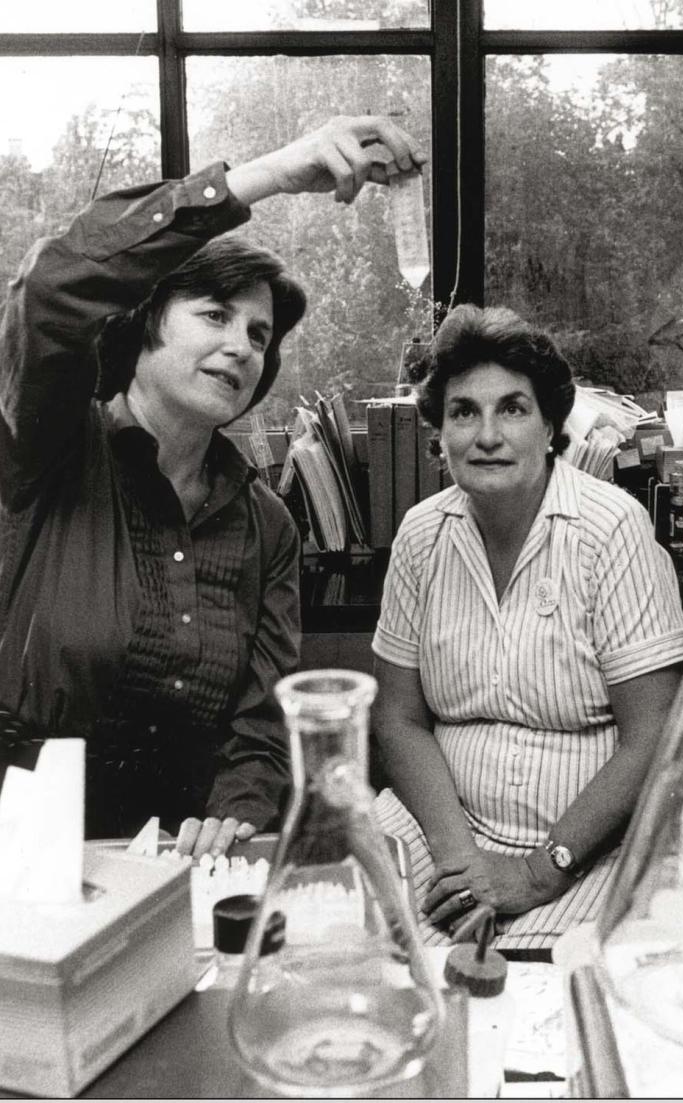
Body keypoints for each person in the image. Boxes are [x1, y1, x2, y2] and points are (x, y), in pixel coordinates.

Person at [0, 116, 427, 855]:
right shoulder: (49, 450)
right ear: (143, 326)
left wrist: (235, 809)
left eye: (260, 336)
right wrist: (268, 175)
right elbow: (53, 287)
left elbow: (260, 727)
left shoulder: (267, 525)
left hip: (185, 869)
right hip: (24, 858)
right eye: (215, 315)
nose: (242, 346)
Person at [371, 305, 683, 950]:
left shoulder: (611, 530)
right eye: (464, 412)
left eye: (512, 409)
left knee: (537, 993)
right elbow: (398, 718)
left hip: (584, 851)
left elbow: (656, 734)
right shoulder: (421, 536)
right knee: (345, 949)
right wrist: (460, 862)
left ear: (550, 427)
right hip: (443, 830)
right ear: (440, 433)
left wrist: (540, 873)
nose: (487, 434)